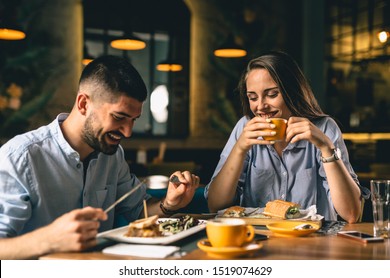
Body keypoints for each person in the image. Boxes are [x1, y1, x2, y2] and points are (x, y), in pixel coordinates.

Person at [0, 55, 200, 259]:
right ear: (83, 104)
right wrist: (50, 239)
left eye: (133, 120)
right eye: (119, 117)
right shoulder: (19, 157)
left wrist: (169, 204)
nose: (128, 132)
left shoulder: (113, 155)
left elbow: (139, 212)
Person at [205, 51, 369, 223]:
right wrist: (239, 149)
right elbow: (215, 206)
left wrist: (326, 148)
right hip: (256, 240)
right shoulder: (244, 128)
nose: (260, 106)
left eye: (272, 94)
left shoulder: (325, 128)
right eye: (252, 97)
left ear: (292, 92)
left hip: (313, 241)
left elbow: (352, 214)